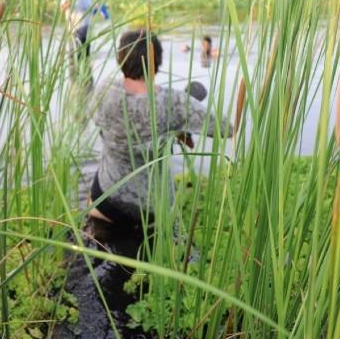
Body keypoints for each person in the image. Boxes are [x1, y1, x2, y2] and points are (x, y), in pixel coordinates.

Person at [89, 29, 233, 225]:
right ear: (158, 60)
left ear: (120, 58)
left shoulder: (104, 90)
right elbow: (226, 129)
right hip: (151, 209)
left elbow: (98, 119)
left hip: (105, 201)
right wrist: (182, 119)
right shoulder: (173, 102)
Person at [61, 0, 94, 86]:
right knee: (74, 57)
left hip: (87, 28)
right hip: (74, 30)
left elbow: (91, 6)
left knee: (86, 56)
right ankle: (75, 83)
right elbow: (63, 8)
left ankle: (87, 83)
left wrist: (98, 8)